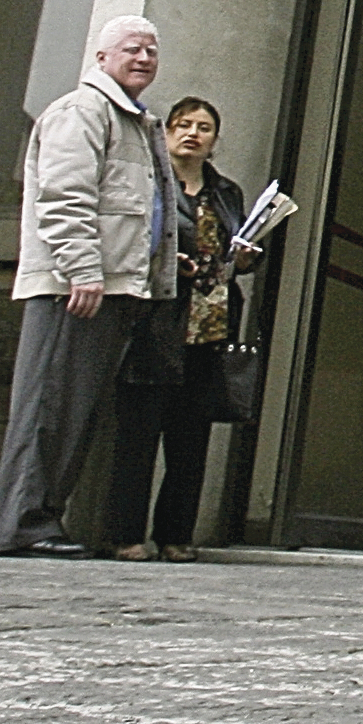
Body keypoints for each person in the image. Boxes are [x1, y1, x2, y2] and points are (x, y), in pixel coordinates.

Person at [0, 16, 167, 559]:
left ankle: (43, 519)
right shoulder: (81, 112)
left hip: (109, 289)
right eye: (132, 49)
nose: (144, 59)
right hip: (76, 287)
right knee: (49, 404)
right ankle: (23, 524)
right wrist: (82, 269)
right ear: (102, 57)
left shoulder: (135, 121)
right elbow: (64, 199)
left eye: (152, 51)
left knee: (73, 409)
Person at [99, 97, 264, 562]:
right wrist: (166, 262)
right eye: (183, 125)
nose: (192, 133)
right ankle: (126, 534)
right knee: (138, 435)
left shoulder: (225, 193)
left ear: (214, 140)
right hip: (156, 323)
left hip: (209, 327)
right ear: (167, 132)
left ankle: (175, 535)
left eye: (204, 127)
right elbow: (129, 241)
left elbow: (235, 247)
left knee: (191, 440)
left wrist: (246, 258)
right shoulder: (151, 185)